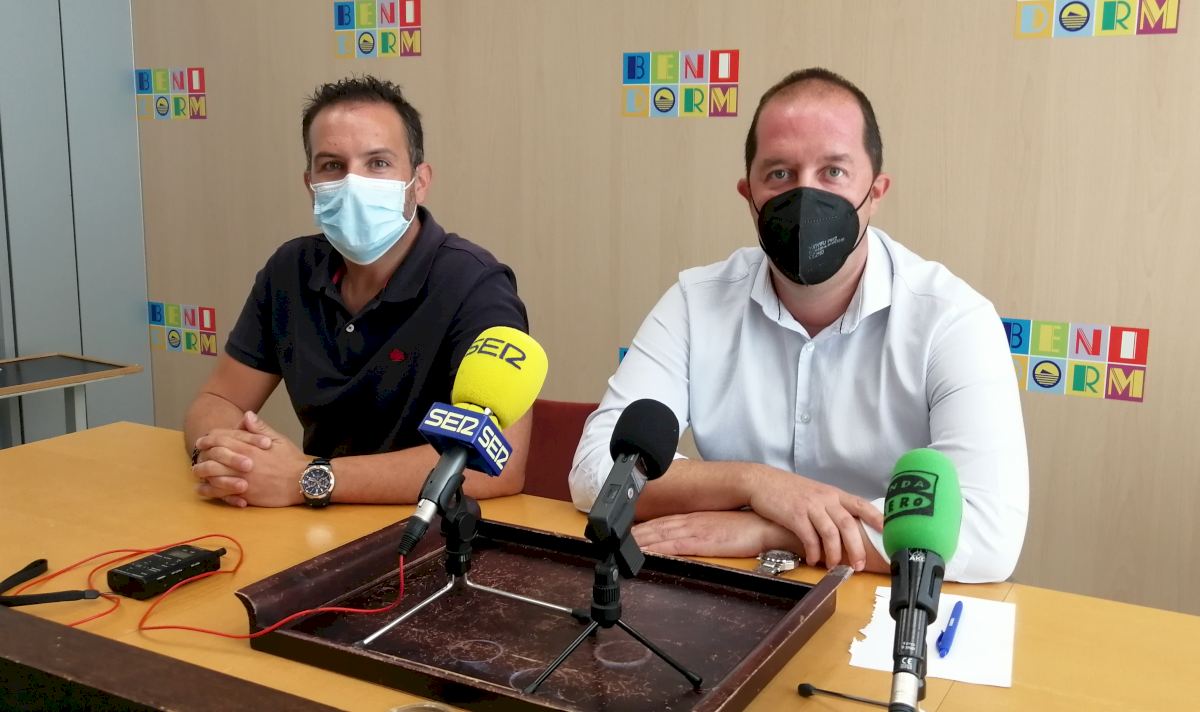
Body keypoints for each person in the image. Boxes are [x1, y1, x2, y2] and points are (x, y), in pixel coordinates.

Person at [568, 68, 1028, 583]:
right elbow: (594, 472)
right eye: (780, 174)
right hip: (738, 592)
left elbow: (989, 531)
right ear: (749, 195)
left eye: (833, 172)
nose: (806, 197)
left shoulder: (953, 320)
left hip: (888, 600)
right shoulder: (696, 302)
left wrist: (774, 530)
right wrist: (753, 484)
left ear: (876, 191)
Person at [184, 76, 530, 508]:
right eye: (332, 165)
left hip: (427, 528)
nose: (353, 182)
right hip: (313, 523)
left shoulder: (473, 283)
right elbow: (218, 399)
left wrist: (306, 478)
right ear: (310, 183)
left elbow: (499, 462)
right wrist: (223, 459)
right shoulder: (289, 269)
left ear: (419, 181)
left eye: (378, 163)